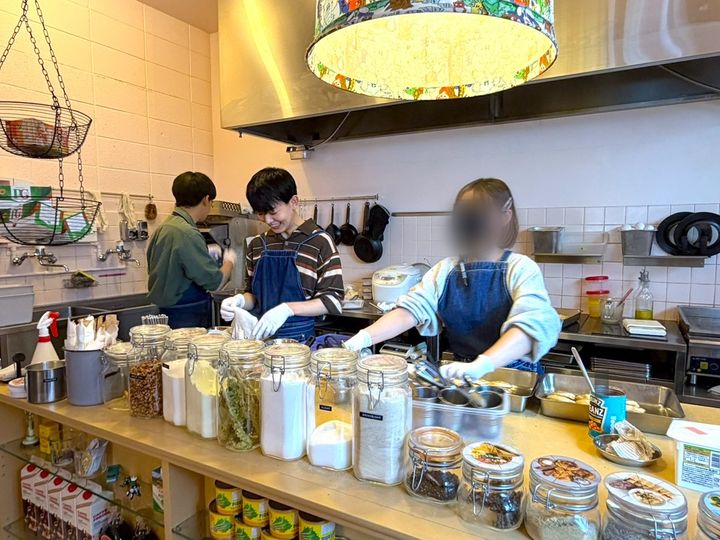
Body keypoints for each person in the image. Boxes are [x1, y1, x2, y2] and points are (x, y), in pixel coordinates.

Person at [344, 178, 561, 380]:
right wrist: (362, 339)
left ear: (505, 217)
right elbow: (409, 311)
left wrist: (484, 364)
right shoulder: (445, 270)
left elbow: (530, 327)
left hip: (514, 380)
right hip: (462, 377)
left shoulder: (520, 268)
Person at [221, 167, 344, 341]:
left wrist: (287, 309)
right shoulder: (257, 245)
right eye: (261, 213)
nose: (267, 220)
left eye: (273, 212)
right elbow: (253, 296)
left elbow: (333, 300)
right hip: (259, 340)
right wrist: (240, 301)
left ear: (293, 202)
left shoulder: (320, 242)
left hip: (300, 344)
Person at [146, 171, 236, 328]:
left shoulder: (163, 228)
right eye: (211, 203)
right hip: (186, 315)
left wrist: (203, 254)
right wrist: (230, 260)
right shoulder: (188, 233)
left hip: (164, 312)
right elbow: (215, 283)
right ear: (206, 199)